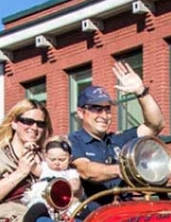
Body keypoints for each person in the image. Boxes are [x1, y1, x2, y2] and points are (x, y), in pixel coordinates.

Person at [69, 60, 165, 200]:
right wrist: (122, 169)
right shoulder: (73, 141)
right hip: (93, 217)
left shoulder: (119, 140)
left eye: (107, 109)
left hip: (126, 215)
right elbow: (86, 170)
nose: (104, 115)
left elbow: (155, 125)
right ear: (81, 112)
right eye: (97, 109)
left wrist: (141, 91)